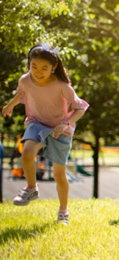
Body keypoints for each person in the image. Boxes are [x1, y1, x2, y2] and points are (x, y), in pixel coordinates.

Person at [2, 42, 90, 225]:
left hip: (60, 129)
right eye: (33, 66)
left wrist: (66, 123)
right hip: (37, 122)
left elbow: (80, 109)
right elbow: (21, 93)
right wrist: (11, 104)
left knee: (59, 175)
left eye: (44, 68)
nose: (38, 71)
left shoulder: (62, 86)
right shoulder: (25, 80)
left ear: (54, 67)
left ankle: (63, 211)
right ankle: (31, 188)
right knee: (27, 152)